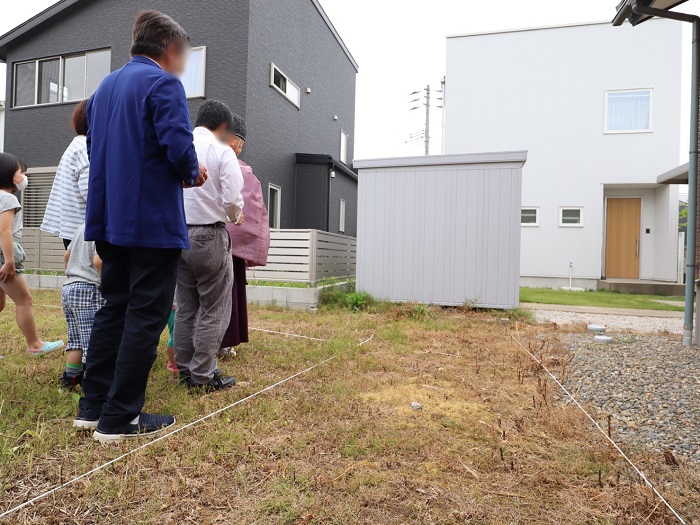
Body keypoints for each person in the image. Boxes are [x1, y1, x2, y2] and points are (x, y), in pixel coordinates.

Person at [74, 10, 207, 442]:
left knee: (113, 307)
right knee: (146, 316)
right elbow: (178, 146)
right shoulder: (163, 83)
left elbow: (97, 149)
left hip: (108, 219)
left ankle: (92, 407)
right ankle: (120, 418)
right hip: (150, 221)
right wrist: (194, 172)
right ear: (169, 50)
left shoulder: (103, 89)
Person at [174, 100, 244, 392]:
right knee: (215, 307)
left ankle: (185, 369)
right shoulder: (221, 150)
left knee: (186, 307)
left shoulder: (178, 145)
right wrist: (235, 216)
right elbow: (232, 198)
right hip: (210, 235)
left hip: (177, 234)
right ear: (224, 128)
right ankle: (203, 374)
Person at [0, 153, 64, 355]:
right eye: (21, 173)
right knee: (24, 300)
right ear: (8, 175)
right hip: (4, 255)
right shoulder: (7, 198)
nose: (24, 178)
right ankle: (34, 345)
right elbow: (4, 231)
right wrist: (10, 261)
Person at [220, 114, 270, 352]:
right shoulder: (239, 169)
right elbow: (252, 208)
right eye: (239, 142)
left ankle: (185, 349)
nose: (240, 148)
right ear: (233, 140)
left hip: (193, 239)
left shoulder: (199, 157)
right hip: (226, 244)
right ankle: (222, 344)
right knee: (224, 295)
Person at [41, 100, 91, 249]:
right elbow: (91, 193)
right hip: (85, 233)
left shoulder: (76, 145)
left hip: (72, 230)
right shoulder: (85, 149)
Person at [60, 224, 104, 390]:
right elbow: (98, 261)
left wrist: (72, 274)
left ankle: (70, 379)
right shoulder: (104, 228)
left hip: (69, 287)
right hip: (89, 289)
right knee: (93, 342)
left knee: (76, 340)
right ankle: (94, 384)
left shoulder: (82, 227)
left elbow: (67, 255)